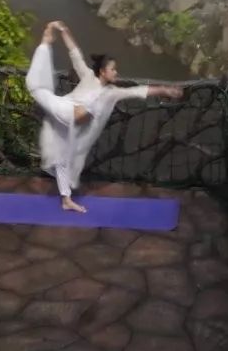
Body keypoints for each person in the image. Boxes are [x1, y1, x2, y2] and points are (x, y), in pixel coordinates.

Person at [25, 19, 183, 214]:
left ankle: (66, 200)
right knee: (36, 88)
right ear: (102, 71)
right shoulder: (88, 76)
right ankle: (45, 42)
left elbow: (138, 90)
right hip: (66, 110)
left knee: (62, 160)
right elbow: (75, 53)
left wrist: (165, 90)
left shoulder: (113, 92)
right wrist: (64, 30)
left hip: (73, 124)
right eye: (113, 69)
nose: (116, 72)